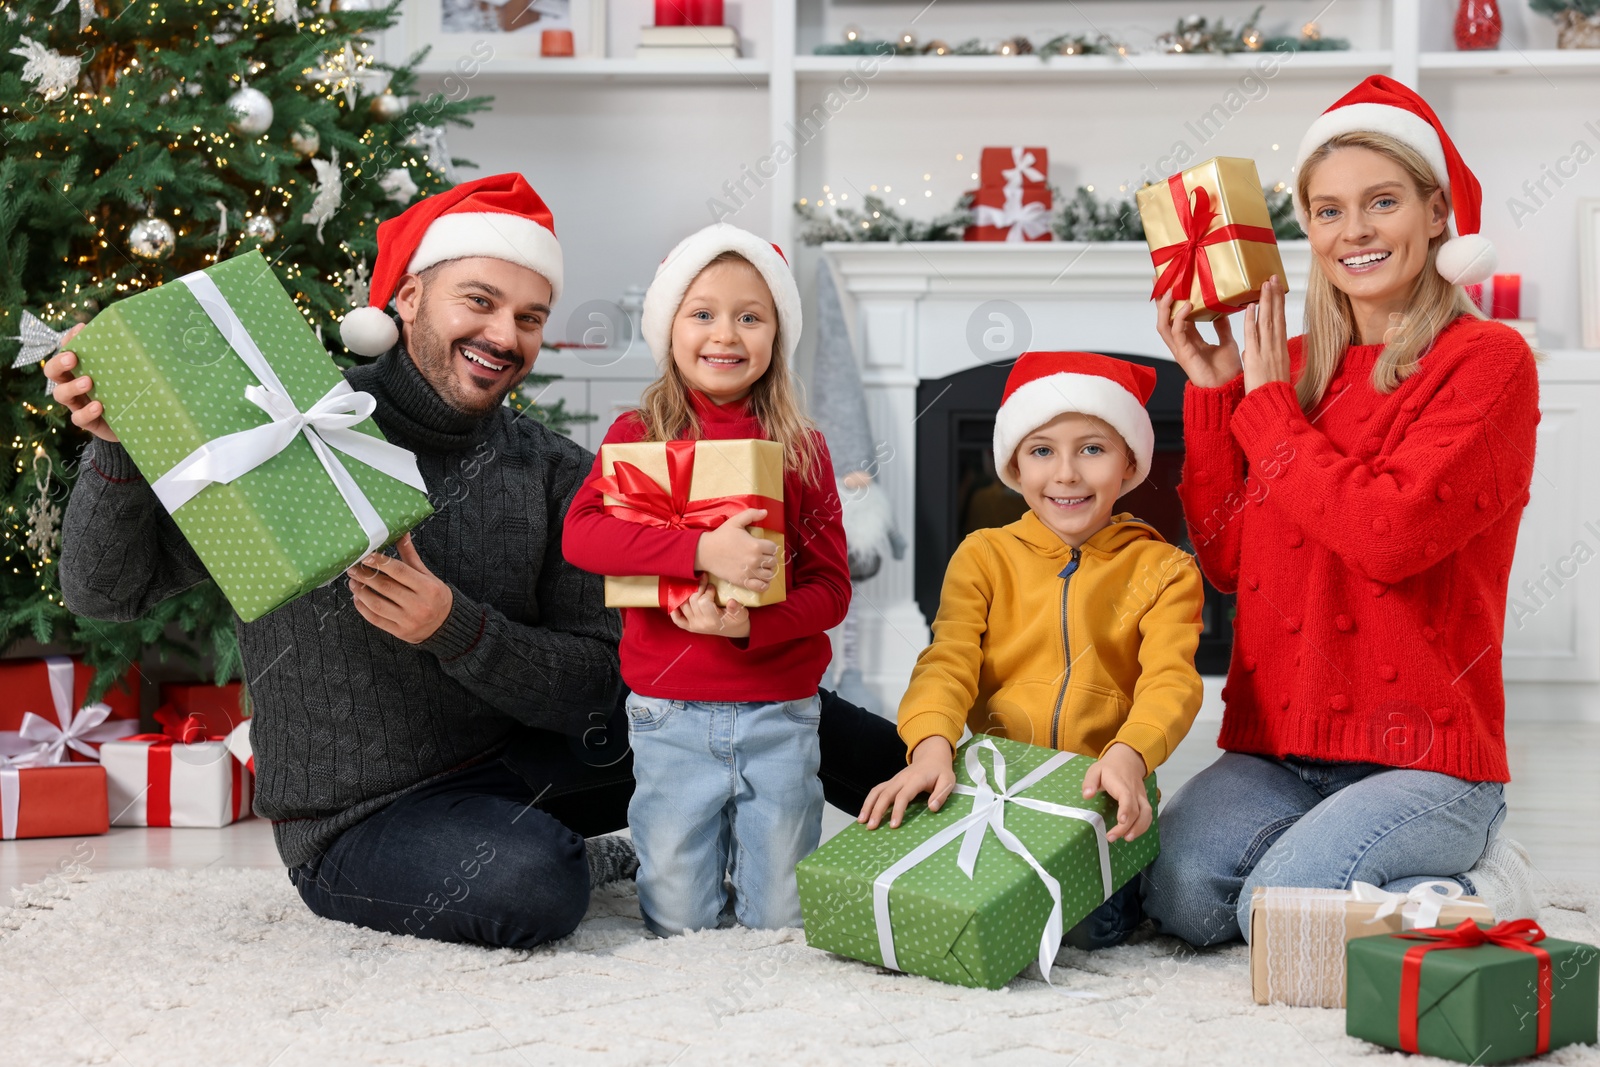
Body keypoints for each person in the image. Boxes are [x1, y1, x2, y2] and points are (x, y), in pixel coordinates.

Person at [51, 176, 904, 949]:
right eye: (480, 302)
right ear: (411, 295)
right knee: (535, 883)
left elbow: (596, 680)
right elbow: (105, 591)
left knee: (760, 702)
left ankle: (967, 796)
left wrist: (451, 628)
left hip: (529, 764)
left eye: (529, 318)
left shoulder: (552, 468)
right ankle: (594, 854)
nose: (504, 335)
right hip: (364, 815)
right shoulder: (296, 435)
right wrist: (117, 450)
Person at [1144, 75, 1541, 948]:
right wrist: (1216, 393)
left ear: (1436, 213)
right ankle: (1330, 851)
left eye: (1382, 202)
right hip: (1281, 748)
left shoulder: (1488, 360)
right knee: (1177, 898)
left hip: (1427, 757)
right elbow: (1226, 560)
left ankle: (1476, 874)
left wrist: (1267, 406)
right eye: (1327, 211)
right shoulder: (1282, 367)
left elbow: (1388, 537)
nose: (1352, 231)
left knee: (1277, 919)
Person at [859, 350, 1206, 949]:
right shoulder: (983, 556)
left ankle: (1134, 880)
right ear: (1015, 467)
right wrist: (930, 746)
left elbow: (1170, 682)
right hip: (995, 787)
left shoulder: (1166, 570)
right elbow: (949, 660)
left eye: (1092, 449)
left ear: (1129, 464)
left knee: (1088, 930)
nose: (1066, 474)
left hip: (1092, 795)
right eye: (1042, 450)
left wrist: (1130, 754)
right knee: (951, 912)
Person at [563, 224, 850, 935]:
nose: (726, 334)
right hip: (669, 711)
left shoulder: (802, 448)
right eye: (703, 313)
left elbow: (831, 588)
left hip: (779, 711)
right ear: (670, 329)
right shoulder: (637, 435)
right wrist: (700, 551)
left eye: (750, 316)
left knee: (781, 919)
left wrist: (753, 622)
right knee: (678, 920)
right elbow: (583, 536)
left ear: (776, 333)